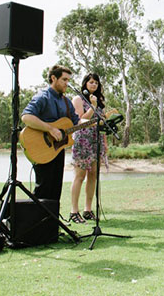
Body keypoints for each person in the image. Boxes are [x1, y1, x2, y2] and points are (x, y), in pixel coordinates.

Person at [21, 65, 80, 202]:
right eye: (64, 79)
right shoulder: (43, 97)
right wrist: (50, 129)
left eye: (68, 80)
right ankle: (37, 222)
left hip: (58, 149)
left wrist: (95, 121)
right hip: (41, 148)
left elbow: (77, 122)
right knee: (43, 188)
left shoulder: (66, 101)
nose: (67, 83)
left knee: (56, 189)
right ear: (53, 78)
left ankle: (51, 222)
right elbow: (26, 117)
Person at [69, 73, 108, 224]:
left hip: (96, 141)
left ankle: (88, 209)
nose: (94, 85)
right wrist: (93, 107)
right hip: (82, 141)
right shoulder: (78, 99)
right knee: (80, 176)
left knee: (93, 176)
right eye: (91, 82)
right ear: (85, 83)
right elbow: (80, 120)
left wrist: (104, 143)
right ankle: (74, 211)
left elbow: (102, 123)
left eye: (96, 83)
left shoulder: (99, 100)